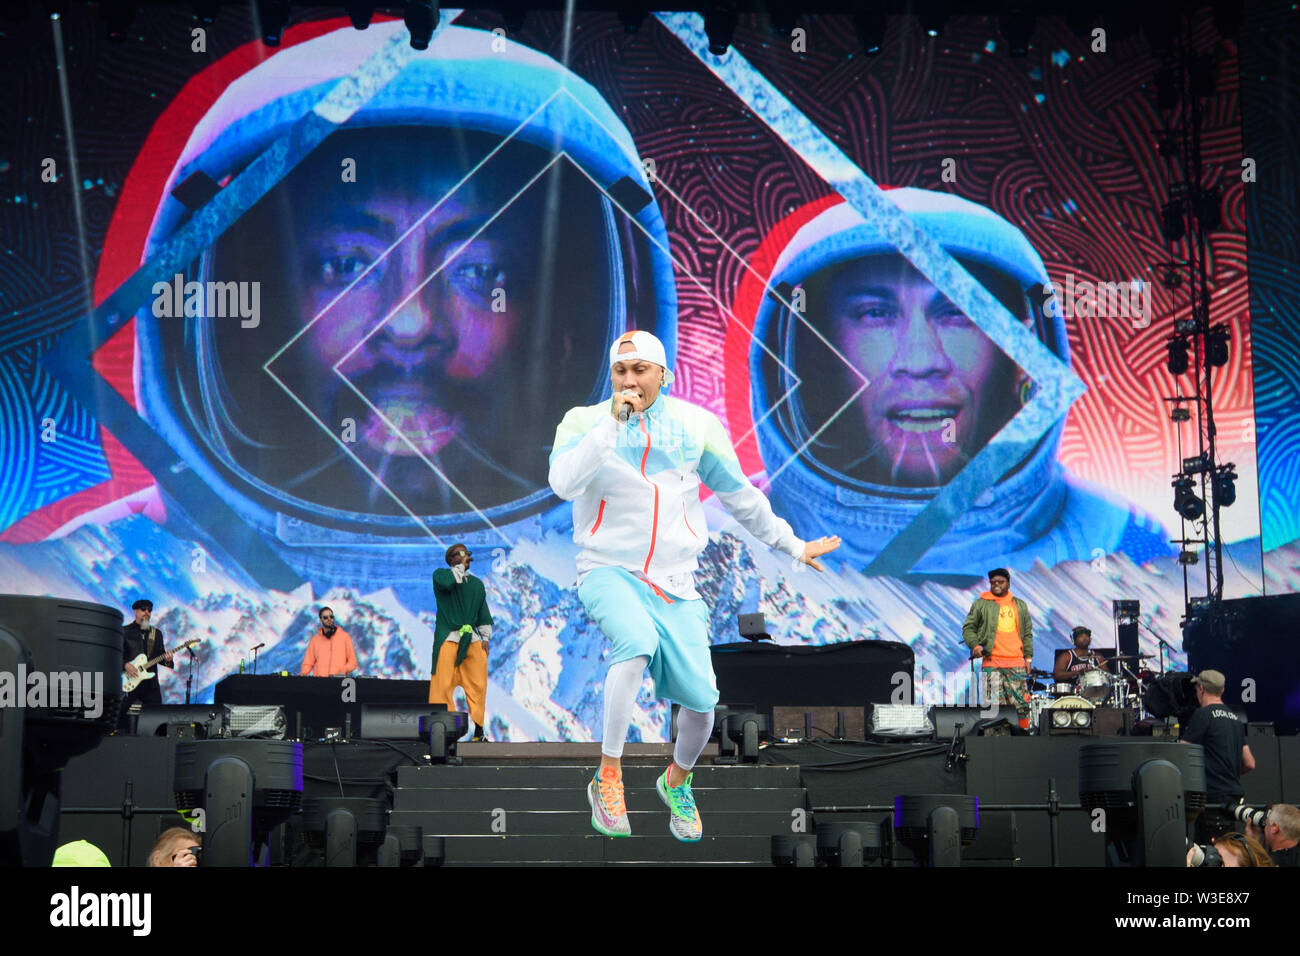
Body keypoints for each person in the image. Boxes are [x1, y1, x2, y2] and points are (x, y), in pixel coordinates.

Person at [99, 21, 678, 611]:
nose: (410, 324)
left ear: (565, 330)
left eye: (478, 271)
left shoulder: (670, 594)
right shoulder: (96, 587)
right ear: (264, 311)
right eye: (347, 264)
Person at [743, 187, 1171, 576]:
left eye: (959, 314)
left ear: (1015, 353)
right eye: (875, 314)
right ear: (814, 351)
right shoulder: (714, 544)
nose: (920, 359)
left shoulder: (1122, 543)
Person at [550, 330, 841, 841]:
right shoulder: (583, 422)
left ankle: (676, 782)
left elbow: (739, 495)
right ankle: (609, 775)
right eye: (621, 371)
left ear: (664, 375)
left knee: (703, 705)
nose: (630, 380)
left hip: (675, 581)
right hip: (607, 568)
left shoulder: (696, 427)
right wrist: (611, 429)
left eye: (641, 370)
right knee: (635, 643)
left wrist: (793, 545)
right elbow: (563, 484)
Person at [1180, 669, 1255, 842]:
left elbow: (1183, 753)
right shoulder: (1235, 719)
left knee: (1210, 851)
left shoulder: (1203, 715)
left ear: (1201, 689)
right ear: (1222, 691)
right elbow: (1250, 763)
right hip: (1233, 798)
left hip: (1211, 798)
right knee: (1227, 846)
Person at [429, 543, 493, 742]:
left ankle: (479, 731)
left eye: (466, 554)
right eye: (461, 554)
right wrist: (458, 569)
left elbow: (482, 612)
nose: (465, 557)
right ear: (452, 558)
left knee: (478, 684)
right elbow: (448, 583)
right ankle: (444, 732)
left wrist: (485, 638)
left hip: (471, 640)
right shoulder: (441, 575)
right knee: (442, 686)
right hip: (448, 638)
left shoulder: (476, 584)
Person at [962, 568, 1033, 729]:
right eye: (993, 582)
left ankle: (1023, 738)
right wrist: (975, 645)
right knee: (993, 707)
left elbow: (1027, 632)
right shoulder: (981, 603)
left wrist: (1028, 658)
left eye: (1000, 582)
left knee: (1020, 705)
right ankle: (995, 741)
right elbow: (968, 628)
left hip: (1015, 662)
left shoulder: (1019, 605)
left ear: (1008, 583)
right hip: (992, 662)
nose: (996, 585)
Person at [120, 599, 173, 722]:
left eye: (149, 610)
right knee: (119, 712)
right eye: (143, 609)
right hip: (130, 680)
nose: (147, 613)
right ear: (135, 611)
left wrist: (168, 660)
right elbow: (115, 655)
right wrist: (125, 665)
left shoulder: (156, 633)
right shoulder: (125, 632)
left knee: (157, 716)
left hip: (150, 684)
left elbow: (160, 656)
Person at [299, 607, 358, 678]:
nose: (329, 619)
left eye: (331, 617)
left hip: (339, 682)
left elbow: (353, 662)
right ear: (321, 620)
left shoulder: (345, 637)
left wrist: (343, 670)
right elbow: (308, 663)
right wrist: (302, 675)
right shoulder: (315, 640)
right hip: (319, 684)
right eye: (325, 617)